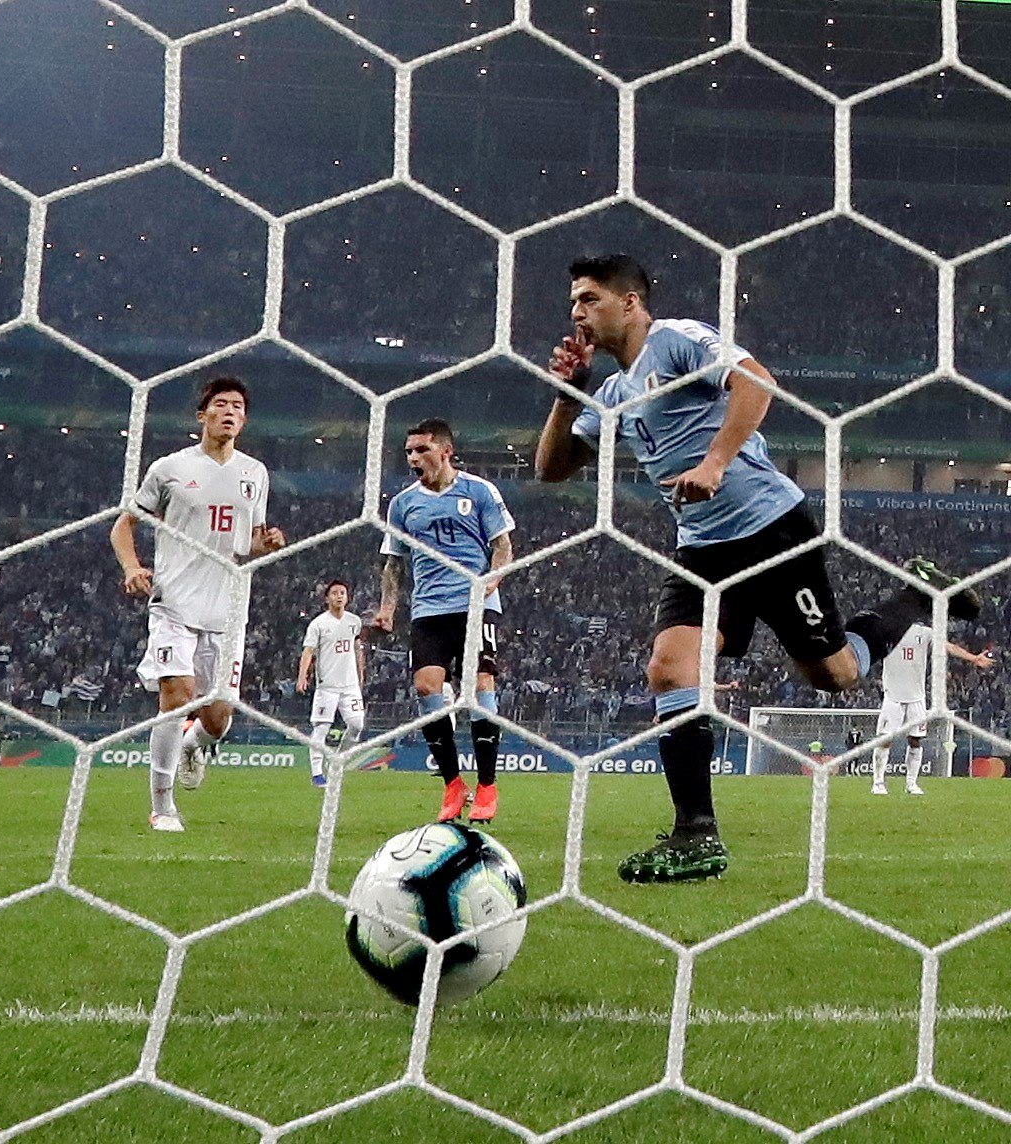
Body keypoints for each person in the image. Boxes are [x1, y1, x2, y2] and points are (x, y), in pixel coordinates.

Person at [535, 253, 978, 883]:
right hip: (701, 549)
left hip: (770, 530)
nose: (577, 312)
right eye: (574, 302)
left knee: (837, 674)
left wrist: (716, 462)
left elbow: (756, 381)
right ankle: (696, 835)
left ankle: (917, 598)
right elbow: (551, 469)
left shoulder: (677, 341)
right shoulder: (610, 392)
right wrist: (566, 392)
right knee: (669, 668)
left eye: (589, 299)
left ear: (630, 302)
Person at [111, 376, 286, 833]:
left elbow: (247, 543)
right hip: (174, 604)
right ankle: (162, 806)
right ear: (202, 415)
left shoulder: (255, 473)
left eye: (238, 407)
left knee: (218, 717)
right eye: (222, 404)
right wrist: (132, 568)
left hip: (228, 612)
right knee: (176, 696)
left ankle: (194, 745)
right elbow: (122, 526)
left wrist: (265, 546)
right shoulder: (169, 468)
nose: (230, 412)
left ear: (244, 420)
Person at [373, 418, 515, 824]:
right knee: (425, 687)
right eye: (409, 452)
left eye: (421, 450)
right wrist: (388, 607)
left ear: (445, 452)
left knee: (480, 684)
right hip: (429, 609)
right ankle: (453, 784)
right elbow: (394, 563)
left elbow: (502, 544)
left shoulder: (479, 491)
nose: (414, 458)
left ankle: (487, 785)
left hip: (476, 604)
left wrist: (493, 578)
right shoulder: (403, 504)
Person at [871, 624, 993, 795]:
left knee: (915, 740)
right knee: (885, 740)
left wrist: (973, 658)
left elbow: (949, 646)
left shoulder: (924, 632)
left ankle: (911, 784)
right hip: (893, 696)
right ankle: (878, 782)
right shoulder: (885, 631)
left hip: (916, 697)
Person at [298, 579, 366, 789]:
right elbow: (308, 651)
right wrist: (302, 676)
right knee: (321, 728)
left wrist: (361, 674)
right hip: (327, 686)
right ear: (327, 598)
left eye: (343, 593)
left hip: (350, 686)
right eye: (335, 593)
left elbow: (357, 649)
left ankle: (337, 761)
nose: (339, 596)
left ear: (348, 597)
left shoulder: (354, 621)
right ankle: (317, 773)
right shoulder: (318, 624)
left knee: (356, 725)